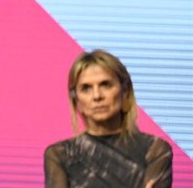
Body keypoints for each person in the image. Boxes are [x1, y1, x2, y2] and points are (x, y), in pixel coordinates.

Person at [44, 49, 173, 188]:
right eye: (86, 88)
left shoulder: (154, 150)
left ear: (124, 91)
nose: (97, 96)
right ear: (77, 101)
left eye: (105, 85)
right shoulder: (60, 154)